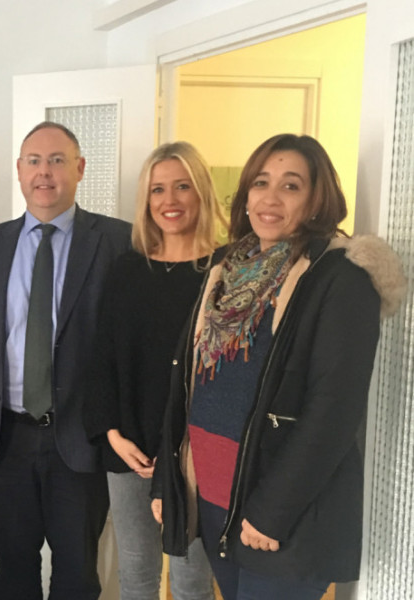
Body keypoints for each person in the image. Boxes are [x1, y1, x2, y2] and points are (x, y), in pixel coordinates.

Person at [151, 134, 406, 600]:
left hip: (276, 512)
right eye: (261, 183)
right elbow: (188, 384)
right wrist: (170, 482)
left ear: (316, 199)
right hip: (212, 497)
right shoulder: (229, 268)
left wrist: (273, 512)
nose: (269, 198)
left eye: (291, 186)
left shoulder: (341, 278)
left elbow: (334, 411)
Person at [0, 121, 132, 600]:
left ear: (79, 168)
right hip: (2, 438)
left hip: (79, 439)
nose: (44, 172)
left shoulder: (119, 242)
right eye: (34, 161)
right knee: (11, 572)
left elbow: (129, 345)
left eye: (57, 160)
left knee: (77, 573)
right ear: (19, 171)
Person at [84, 142, 221, 600]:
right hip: (129, 450)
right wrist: (112, 435)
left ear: (201, 192)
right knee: (137, 575)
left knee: (191, 581)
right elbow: (101, 358)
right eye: (158, 189)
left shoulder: (224, 272)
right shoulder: (126, 270)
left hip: (197, 453)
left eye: (182, 186)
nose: (170, 200)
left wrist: (185, 449)